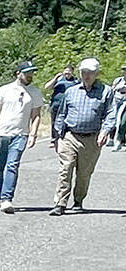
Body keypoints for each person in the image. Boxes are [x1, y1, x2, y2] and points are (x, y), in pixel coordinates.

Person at [49, 58, 117, 216]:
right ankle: (60, 203)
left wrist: (105, 131)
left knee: (84, 173)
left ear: (96, 74)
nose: (86, 76)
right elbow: (61, 114)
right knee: (65, 169)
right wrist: (57, 136)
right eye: (84, 72)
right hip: (70, 136)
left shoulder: (106, 91)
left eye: (90, 73)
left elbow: (111, 114)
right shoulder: (71, 91)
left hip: (92, 138)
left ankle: (78, 200)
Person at [0, 61, 43, 214]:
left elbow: (36, 115)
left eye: (32, 73)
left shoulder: (35, 92)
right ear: (18, 73)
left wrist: (33, 134)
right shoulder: (5, 90)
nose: (30, 76)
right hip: (2, 133)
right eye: (27, 73)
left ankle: (6, 199)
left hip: (20, 134)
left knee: (12, 165)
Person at [45, 64, 78, 142]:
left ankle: (64, 137)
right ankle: (54, 138)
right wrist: (56, 77)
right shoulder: (58, 80)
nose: (67, 73)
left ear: (72, 72)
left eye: (69, 71)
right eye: (66, 71)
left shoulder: (75, 81)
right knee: (54, 121)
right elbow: (47, 87)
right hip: (56, 104)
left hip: (68, 105)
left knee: (66, 121)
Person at [109, 65, 126, 151]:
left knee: (122, 123)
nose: (124, 71)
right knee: (115, 121)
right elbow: (112, 90)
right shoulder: (118, 80)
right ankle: (116, 141)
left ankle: (119, 141)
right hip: (117, 102)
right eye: (123, 70)